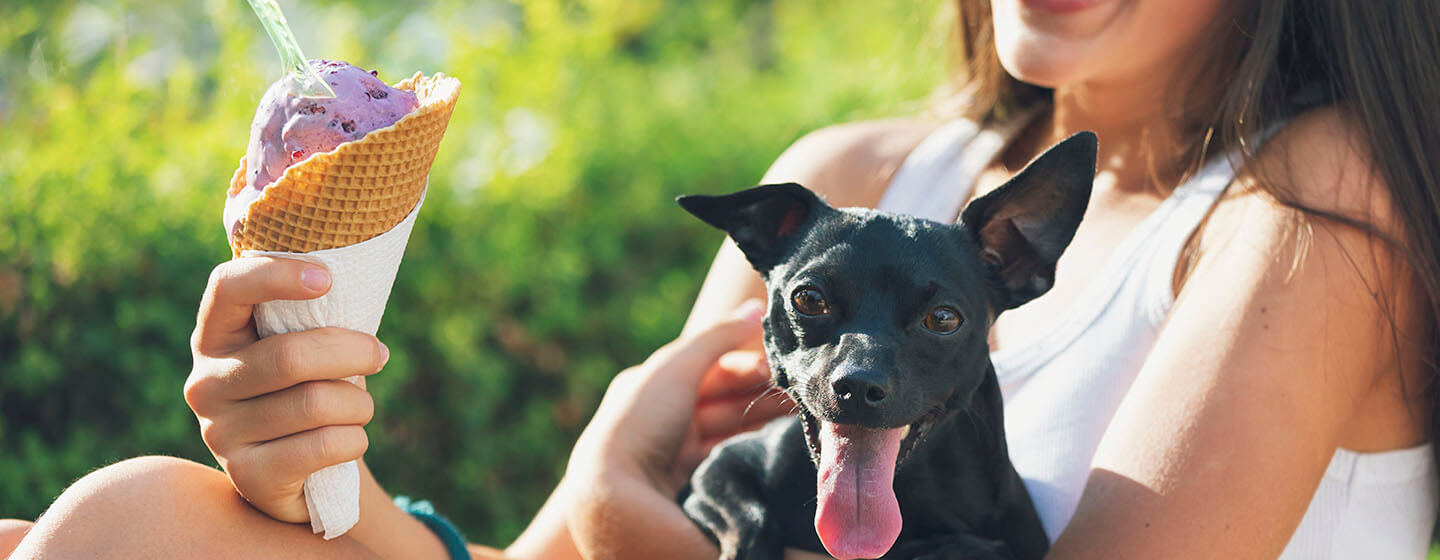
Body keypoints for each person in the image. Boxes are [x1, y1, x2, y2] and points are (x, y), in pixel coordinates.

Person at [8, 0, 1440, 558]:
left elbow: (631, 532)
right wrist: (319, 464)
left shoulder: (1306, 203)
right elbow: (564, 552)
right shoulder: (866, 182)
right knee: (123, 526)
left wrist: (624, 513)